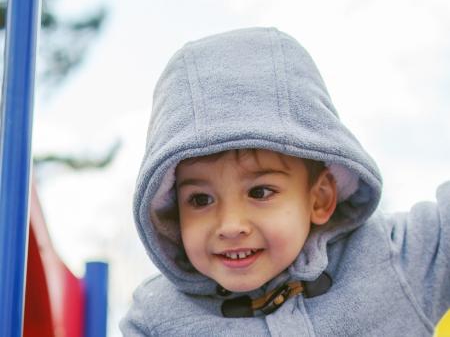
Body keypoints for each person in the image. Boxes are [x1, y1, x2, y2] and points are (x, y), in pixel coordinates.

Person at [120, 27, 450, 336]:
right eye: (200, 200)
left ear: (319, 199)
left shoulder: (391, 256)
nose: (230, 225)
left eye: (260, 192)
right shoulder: (158, 319)